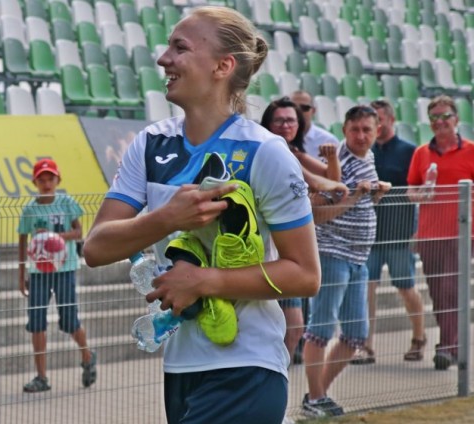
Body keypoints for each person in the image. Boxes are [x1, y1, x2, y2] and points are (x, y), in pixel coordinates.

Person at [83, 7, 321, 423]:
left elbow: (305, 275)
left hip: (248, 366)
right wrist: (167, 218)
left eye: (180, 48)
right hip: (180, 367)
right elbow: (96, 248)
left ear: (222, 66)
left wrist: (203, 281)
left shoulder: (264, 151)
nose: (164, 59)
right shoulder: (150, 144)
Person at [302, 105, 391, 417]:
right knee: (320, 330)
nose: (361, 136)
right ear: (344, 130)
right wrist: (354, 196)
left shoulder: (368, 158)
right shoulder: (336, 163)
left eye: (367, 130)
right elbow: (317, 214)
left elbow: (364, 199)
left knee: (355, 335)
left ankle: (317, 396)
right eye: (355, 130)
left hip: (358, 258)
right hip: (332, 255)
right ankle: (316, 399)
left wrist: (377, 191)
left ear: (378, 131)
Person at [259, 97, 344, 365]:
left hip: (288, 250)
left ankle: (274, 370)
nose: (286, 125)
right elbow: (322, 182)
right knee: (287, 325)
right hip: (268, 248)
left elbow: (330, 179)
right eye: (279, 120)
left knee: (293, 326)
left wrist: (332, 161)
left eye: (291, 120)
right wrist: (328, 187)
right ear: (268, 123)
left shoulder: (294, 152)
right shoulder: (267, 150)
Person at [351, 99, 426, 365]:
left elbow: (418, 190)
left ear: (391, 120)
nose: (376, 125)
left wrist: (416, 231)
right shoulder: (365, 152)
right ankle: (365, 345)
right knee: (366, 289)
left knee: (406, 287)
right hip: (369, 235)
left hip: (399, 234)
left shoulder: (409, 151)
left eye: (379, 120)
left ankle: (418, 338)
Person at [406, 95, 474, 371]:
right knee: (437, 291)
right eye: (434, 116)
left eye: (445, 116)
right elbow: (411, 188)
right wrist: (419, 194)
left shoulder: (471, 150)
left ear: (456, 119)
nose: (440, 121)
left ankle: (447, 346)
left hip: (461, 233)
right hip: (429, 234)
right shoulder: (422, 152)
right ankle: (452, 345)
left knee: (450, 287)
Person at [17, 158, 97, 393]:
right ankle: (41, 377)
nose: (46, 183)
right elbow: (22, 240)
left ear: (57, 180)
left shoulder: (66, 202)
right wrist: (21, 274)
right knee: (37, 322)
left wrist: (54, 237)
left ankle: (87, 355)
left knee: (69, 321)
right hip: (39, 272)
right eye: (41, 180)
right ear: (35, 182)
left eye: (50, 179)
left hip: (64, 269)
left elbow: (79, 231)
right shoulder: (30, 209)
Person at [291, 90, 340, 159]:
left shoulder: (328, 140)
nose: (298, 111)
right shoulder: (280, 138)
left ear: (313, 111)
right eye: (294, 108)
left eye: (304, 108)